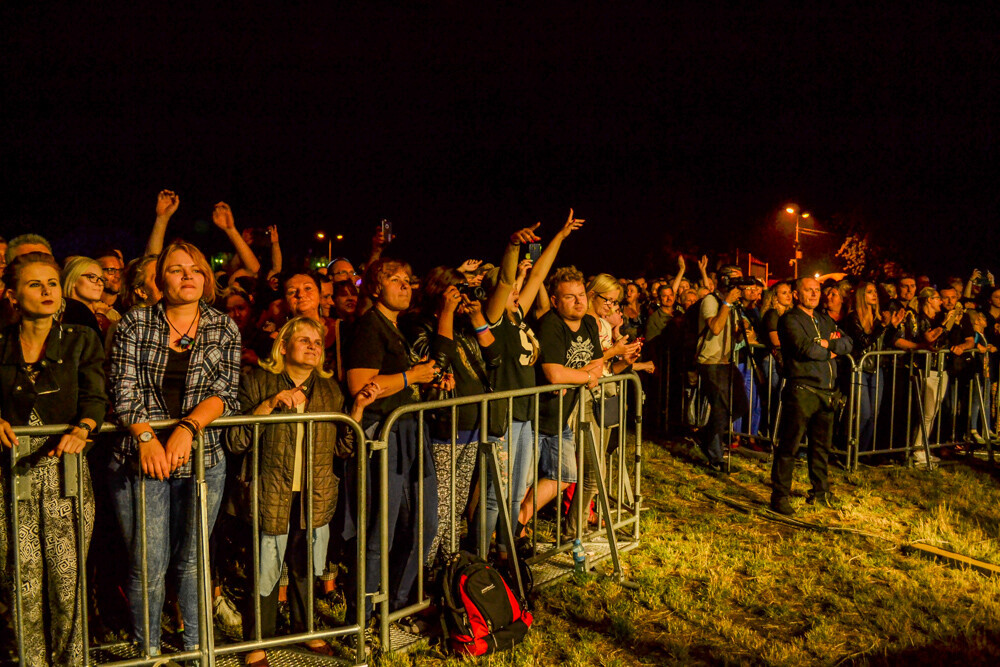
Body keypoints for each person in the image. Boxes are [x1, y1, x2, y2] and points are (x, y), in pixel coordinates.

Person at [108, 240, 241, 655]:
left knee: (193, 560)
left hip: (204, 460)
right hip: (140, 461)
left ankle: (196, 649)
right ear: (159, 279)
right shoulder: (135, 322)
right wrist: (147, 437)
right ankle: (147, 651)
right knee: (148, 563)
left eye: (196, 269)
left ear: (206, 278)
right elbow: (122, 387)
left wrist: (187, 428)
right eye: (177, 269)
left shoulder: (224, 327)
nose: (188, 276)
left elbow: (227, 392)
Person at [228, 316, 380, 665]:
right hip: (269, 494)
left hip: (314, 496)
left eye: (317, 341)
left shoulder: (328, 390)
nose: (313, 346)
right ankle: (256, 644)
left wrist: (356, 409)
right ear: (282, 347)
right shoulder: (258, 381)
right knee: (265, 569)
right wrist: (268, 407)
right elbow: (236, 441)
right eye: (304, 340)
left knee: (306, 567)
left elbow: (343, 448)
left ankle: (307, 631)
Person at [0, 252, 107, 666]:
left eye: (52, 283)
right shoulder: (1, 343)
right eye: (34, 284)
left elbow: (96, 395)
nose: (47, 291)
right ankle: (32, 662)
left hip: (65, 475)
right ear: (12, 295)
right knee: (20, 580)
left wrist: (84, 426)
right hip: (10, 477)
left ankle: (73, 662)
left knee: (67, 580)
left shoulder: (81, 338)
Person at [344, 257, 439, 625]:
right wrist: (412, 374)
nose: (405, 285)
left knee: (424, 523)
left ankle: (397, 603)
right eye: (395, 280)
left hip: (412, 431)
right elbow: (360, 387)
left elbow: (399, 380)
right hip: (384, 434)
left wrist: (424, 380)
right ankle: (362, 613)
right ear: (375, 287)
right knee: (379, 530)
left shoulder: (398, 326)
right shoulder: (370, 326)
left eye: (408, 279)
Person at [516, 266, 604, 535]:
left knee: (565, 476)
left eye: (581, 295)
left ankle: (519, 520)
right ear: (555, 301)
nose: (579, 302)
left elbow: (598, 365)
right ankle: (507, 535)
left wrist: (577, 377)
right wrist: (583, 376)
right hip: (531, 418)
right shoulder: (550, 325)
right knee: (520, 482)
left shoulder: (589, 322)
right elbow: (553, 373)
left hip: (559, 419)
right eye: (570, 297)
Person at [770, 277, 852, 515]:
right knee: (789, 446)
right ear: (797, 294)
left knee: (821, 448)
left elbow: (848, 342)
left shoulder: (824, 320)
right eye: (809, 290)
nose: (815, 294)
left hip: (826, 392)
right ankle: (780, 496)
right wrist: (830, 349)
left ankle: (820, 492)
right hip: (802, 390)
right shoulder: (790, 320)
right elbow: (807, 350)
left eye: (817, 290)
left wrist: (827, 345)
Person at [694, 265, 750, 472]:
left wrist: (742, 331)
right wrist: (727, 303)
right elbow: (715, 327)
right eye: (735, 280)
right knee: (720, 409)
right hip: (709, 361)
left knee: (739, 405)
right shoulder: (710, 300)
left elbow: (731, 333)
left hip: (726, 361)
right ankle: (715, 457)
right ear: (724, 280)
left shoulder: (732, 305)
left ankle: (705, 435)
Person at [842, 282, 904, 453]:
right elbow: (863, 342)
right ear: (862, 296)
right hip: (859, 368)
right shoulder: (853, 318)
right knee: (863, 413)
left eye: (875, 292)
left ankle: (861, 453)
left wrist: (893, 326)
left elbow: (887, 342)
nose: (874, 295)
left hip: (876, 369)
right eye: (869, 292)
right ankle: (848, 450)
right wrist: (882, 326)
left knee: (873, 416)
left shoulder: (878, 318)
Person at [61, 255, 113, 337]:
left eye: (101, 279)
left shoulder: (107, 312)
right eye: (91, 277)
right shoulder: (63, 312)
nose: (99, 283)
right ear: (73, 279)